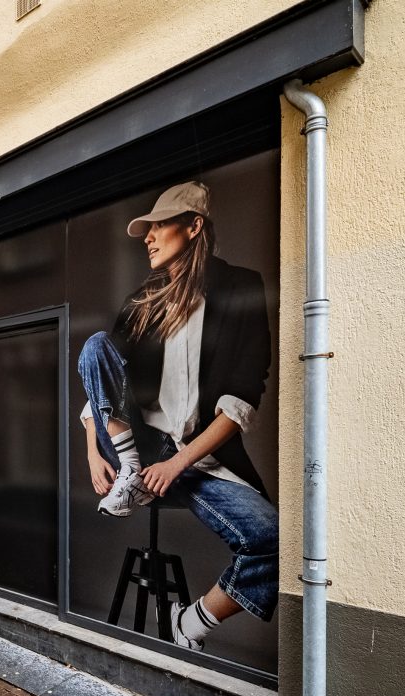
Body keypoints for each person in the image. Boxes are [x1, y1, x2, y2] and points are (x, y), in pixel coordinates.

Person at [78, 181, 278, 652]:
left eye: (159, 225)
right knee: (95, 346)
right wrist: (93, 451)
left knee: (274, 540)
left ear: (193, 227)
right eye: (146, 230)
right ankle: (132, 472)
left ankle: (189, 623)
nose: (147, 237)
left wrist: (177, 464)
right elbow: (102, 377)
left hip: (197, 456)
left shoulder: (240, 288)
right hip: (138, 445)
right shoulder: (142, 300)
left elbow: (242, 399)